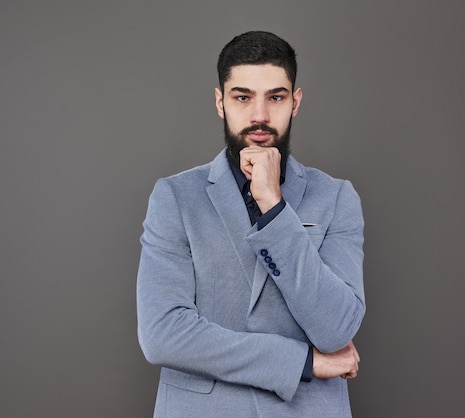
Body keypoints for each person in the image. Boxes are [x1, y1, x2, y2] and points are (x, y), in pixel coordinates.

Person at [137, 31, 365, 417]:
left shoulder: (337, 197)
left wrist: (274, 208)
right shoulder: (175, 197)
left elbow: (337, 328)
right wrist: (302, 362)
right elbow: (163, 335)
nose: (259, 115)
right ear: (220, 102)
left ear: (295, 102)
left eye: (275, 97)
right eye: (242, 97)